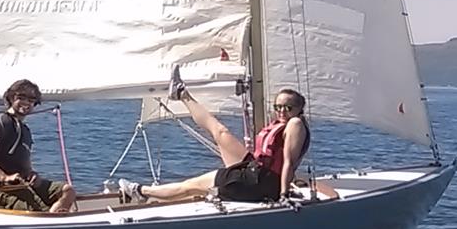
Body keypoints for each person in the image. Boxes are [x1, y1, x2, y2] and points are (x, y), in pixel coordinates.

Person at [118, 65, 335, 206]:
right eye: (277, 107)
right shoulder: (282, 122)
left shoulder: (295, 124)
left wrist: (284, 194)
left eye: (287, 107)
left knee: (191, 185)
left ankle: (140, 191)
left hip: (259, 181)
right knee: (220, 131)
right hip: (256, 170)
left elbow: (287, 162)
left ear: (299, 108)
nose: (281, 112)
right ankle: (182, 94)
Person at [0, 78, 76, 215]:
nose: (26, 103)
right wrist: (4, 178)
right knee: (40, 211)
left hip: (23, 182)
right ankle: (49, 221)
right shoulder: (1, 122)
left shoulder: (25, 130)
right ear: (11, 98)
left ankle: (52, 219)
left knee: (67, 191)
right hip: (0, 187)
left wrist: (32, 175)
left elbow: (26, 165)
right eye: (21, 97)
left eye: (31, 100)